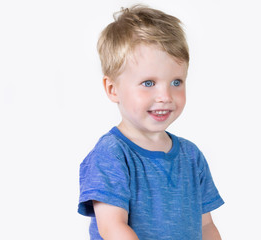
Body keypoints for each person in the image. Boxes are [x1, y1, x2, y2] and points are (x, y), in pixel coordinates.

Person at [78, 5, 224, 240]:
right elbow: (112, 228)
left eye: (176, 82)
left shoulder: (191, 156)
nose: (165, 96)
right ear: (112, 89)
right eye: (148, 83)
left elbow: (206, 226)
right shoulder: (111, 154)